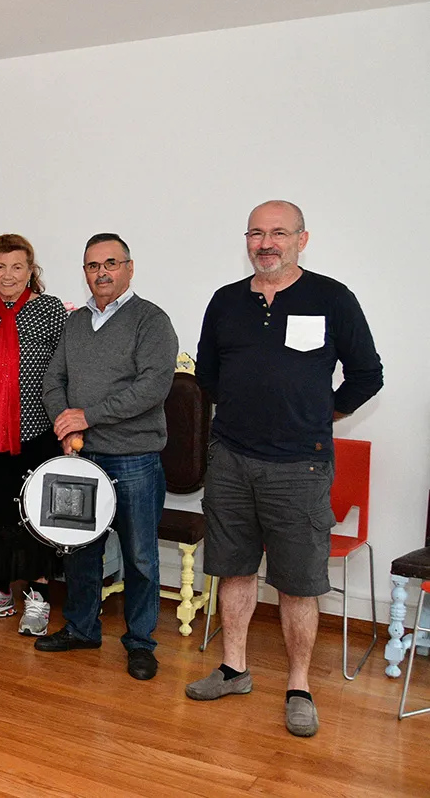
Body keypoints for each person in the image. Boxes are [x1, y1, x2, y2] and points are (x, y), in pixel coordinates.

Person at [185, 200, 383, 738]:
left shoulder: (332, 298)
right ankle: (233, 668)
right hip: (229, 459)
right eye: (256, 233)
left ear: (302, 239)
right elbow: (208, 373)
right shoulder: (225, 301)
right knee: (233, 567)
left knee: (298, 582)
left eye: (278, 233)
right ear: (246, 240)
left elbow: (368, 373)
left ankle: (299, 685)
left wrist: (321, 412)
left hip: (300, 466)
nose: (265, 242)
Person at [38, 233, 177, 681]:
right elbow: (53, 377)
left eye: (111, 263)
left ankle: (140, 642)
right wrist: (64, 420)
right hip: (82, 458)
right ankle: (81, 629)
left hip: (134, 458)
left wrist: (86, 416)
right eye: (93, 265)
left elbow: (152, 388)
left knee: (139, 555)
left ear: (129, 269)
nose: (102, 272)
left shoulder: (151, 321)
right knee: (79, 549)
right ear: (84, 273)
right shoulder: (75, 324)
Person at [0, 234, 68, 634]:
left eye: (17, 266)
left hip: (37, 432)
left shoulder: (51, 310)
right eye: (0, 266)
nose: (8, 274)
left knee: (35, 515)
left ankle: (38, 596)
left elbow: (63, 371)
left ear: (31, 271)